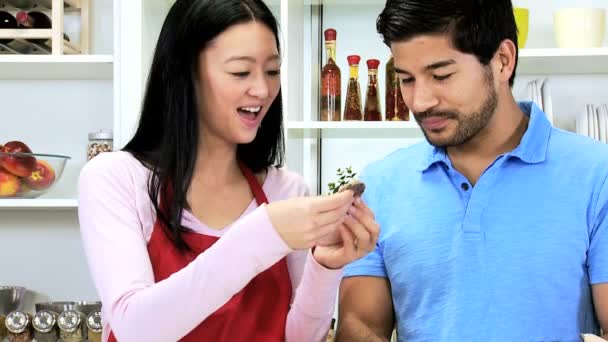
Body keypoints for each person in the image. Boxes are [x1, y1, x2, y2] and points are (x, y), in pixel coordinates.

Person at [77, 0, 379, 341]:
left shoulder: (286, 189)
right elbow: (136, 329)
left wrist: (326, 266)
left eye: (272, 71)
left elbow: (300, 338)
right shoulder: (116, 178)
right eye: (240, 72)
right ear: (185, 73)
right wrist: (264, 233)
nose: (263, 90)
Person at [336, 0, 608, 341]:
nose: (420, 102)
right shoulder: (379, 183)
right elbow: (360, 324)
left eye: (441, 75)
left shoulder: (598, 175)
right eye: (406, 79)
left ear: (502, 61)